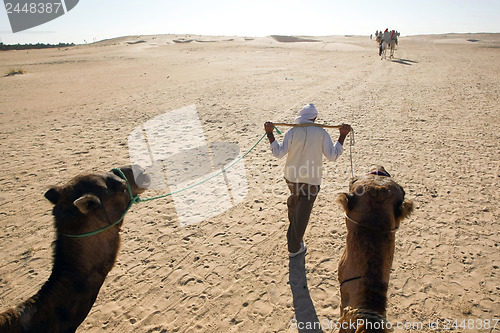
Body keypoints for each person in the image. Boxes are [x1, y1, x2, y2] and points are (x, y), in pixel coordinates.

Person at [264, 103, 351, 257]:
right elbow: (333, 156)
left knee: (296, 203)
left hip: (291, 177)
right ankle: (294, 247)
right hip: (311, 179)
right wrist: (342, 136)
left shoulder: (292, 131)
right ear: (315, 118)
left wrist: (270, 134)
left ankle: (296, 236)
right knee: (303, 212)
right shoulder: (321, 133)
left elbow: (278, 153)